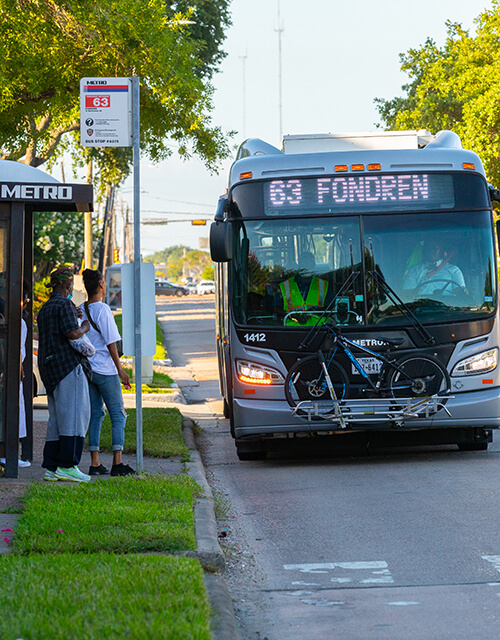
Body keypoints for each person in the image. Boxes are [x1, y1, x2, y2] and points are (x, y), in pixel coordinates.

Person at [38, 267, 91, 482]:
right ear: (67, 285)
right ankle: (68, 465)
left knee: (56, 419)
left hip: (49, 370)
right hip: (68, 367)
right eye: (70, 285)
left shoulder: (45, 308)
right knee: (75, 416)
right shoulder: (65, 304)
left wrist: (72, 314)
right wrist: (85, 326)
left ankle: (51, 467)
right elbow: (72, 333)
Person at [80, 269, 135, 477]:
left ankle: (94, 463)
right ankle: (117, 462)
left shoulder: (80, 309)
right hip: (105, 369)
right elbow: (112, 343)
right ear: (101, 284)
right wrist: (120, 370)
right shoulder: (103, 310)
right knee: (118, 414)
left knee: (95, 415)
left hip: (89, 370)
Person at [0, 280, 31, 468]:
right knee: (14, 411)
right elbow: (17, 350)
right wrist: (19, 372)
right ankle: (9, 455)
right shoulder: (18, 322)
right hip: (10, 373)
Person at [275, 251, 330, 326]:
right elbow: (275, 308)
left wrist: (314, 312)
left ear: (313, 265)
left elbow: (332, 307)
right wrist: (291, 315)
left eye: (309, 263)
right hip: (292, 331)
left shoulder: (323, 285)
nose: (306, 265)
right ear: (299, 265)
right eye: (304, 262)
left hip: (320, 330)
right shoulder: (285, 286)